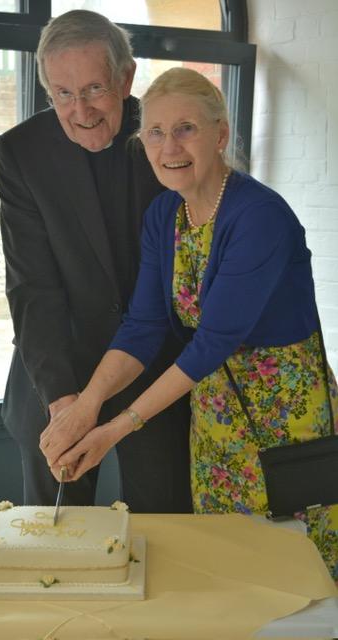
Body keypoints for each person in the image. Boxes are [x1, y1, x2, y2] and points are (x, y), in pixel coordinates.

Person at [40, 67, 338, 581]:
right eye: (154, 131)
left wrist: (114, 428)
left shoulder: (258, 215)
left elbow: (213, 342)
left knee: (295, 577)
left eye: (186, 128)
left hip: (286, 418)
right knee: (227, 566)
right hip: (216, 417)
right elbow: (143, 326)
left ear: (220, 135)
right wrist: (85, 406)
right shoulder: (164, 215)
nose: (168, 146)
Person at [0, 10, 193, 513]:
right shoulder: (20, 152)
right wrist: (62, 403)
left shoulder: (166, 139)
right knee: (54, 539)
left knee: (161, 535)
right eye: (63, 94)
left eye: (94, 89)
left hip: (155, 381)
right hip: (56, 377)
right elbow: (32, 287)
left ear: (125, 78)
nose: (80, 110)